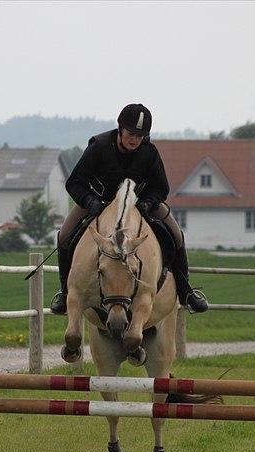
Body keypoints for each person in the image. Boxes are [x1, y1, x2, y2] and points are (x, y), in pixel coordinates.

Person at [50, 103, 208, 315]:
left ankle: (186, 290)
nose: (134, 139)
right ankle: (64, 292)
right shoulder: (98, 147)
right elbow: (74, 183)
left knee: (176, 234)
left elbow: (161, 188)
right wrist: (89, 201)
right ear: (120, 128)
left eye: (140, 136)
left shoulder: (149, 152)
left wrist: (148, 203)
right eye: (131, 133)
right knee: (65, 235)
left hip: (139, 205)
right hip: (99, 203)